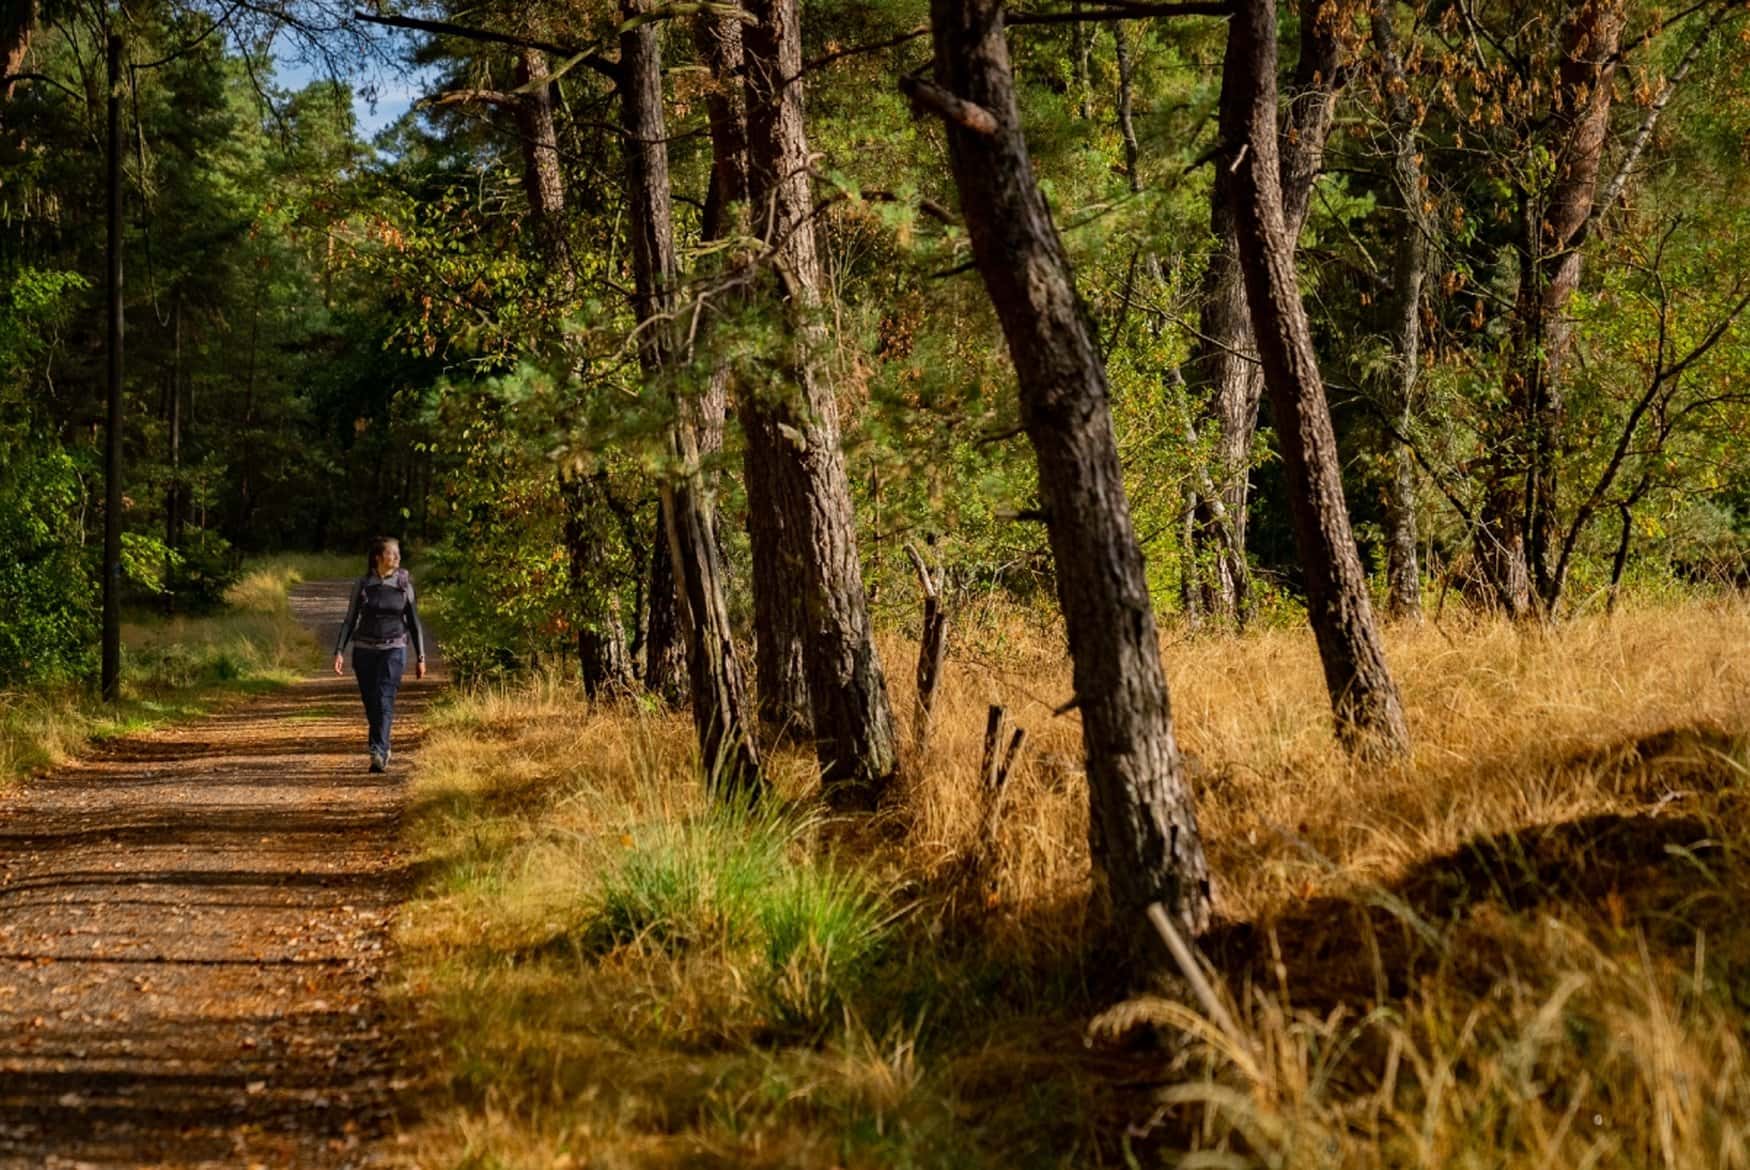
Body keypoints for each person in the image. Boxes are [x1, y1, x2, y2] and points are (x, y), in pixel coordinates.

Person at [332, 537, 427, 772]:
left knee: (384, 699)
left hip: (394, 650)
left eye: (398, 554)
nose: (396, 557)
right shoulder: (363, 584)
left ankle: (379, 751)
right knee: (371, 703)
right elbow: (350, 619)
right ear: (378, 557)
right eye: (391, 553)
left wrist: (421, 656)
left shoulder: (404, 584)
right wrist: (339, 651)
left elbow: (414, 623)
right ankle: (380, 744)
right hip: (364, 651)